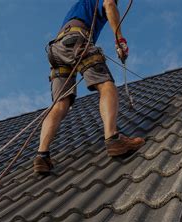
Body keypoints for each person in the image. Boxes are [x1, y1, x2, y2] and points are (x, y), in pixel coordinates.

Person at [33, 0, 145, 174]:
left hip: (56, 49)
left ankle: (42, 156)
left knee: (60, 104)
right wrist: (120, 40)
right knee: (106, 84)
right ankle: (113, 138)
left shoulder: (80, 6)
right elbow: (109, 4)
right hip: (76, 41)